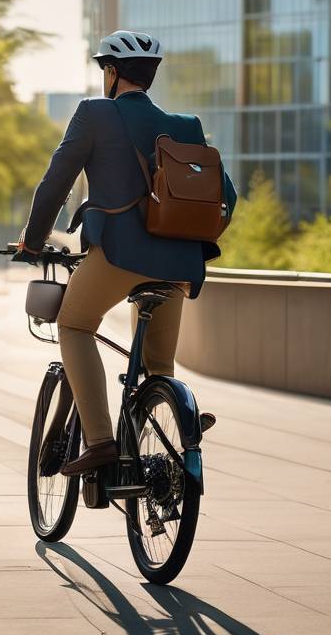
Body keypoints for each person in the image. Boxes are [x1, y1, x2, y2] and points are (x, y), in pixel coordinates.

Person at [16, 30, 236, 476]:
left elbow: (56, 183)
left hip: (119, 254)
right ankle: (171, 425)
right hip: (178, 263)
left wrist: (34, 241)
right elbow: (226, 196)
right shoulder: (186, 126)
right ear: (150, 77)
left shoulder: (94, 114)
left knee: (75, 325)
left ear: (111, 73)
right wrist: (191, 243)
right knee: (159, 366)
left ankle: (100, 442)